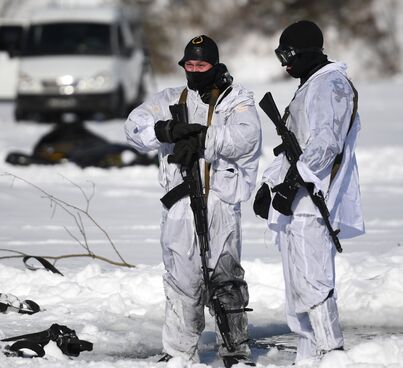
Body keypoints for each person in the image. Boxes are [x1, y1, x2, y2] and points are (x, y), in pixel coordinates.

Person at [125, 35, 261, 367]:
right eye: (190, 64)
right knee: (180, 281)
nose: (195, 70)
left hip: (220, 205)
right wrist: (166, 131)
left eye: (201, 65)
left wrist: (202, 138)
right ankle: (178, 353)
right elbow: (132, 126)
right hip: (179, 208)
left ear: (214, 66)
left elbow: (247, 139)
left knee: (225, 278)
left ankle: (235, 351)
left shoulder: (235, 100)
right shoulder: (170, 98)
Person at [253, 20, 365, 363]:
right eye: (279, 55)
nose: (284, 62)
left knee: (314, 283)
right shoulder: (311, 84)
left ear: (309, 53)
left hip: (313, 203)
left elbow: (325, 146)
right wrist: (269, 184)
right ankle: (308, 356)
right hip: (298, 202)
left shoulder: (329, 85)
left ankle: (331, 353)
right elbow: (292, 148)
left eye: (288, 54)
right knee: (298, 289)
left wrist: (291, 185)